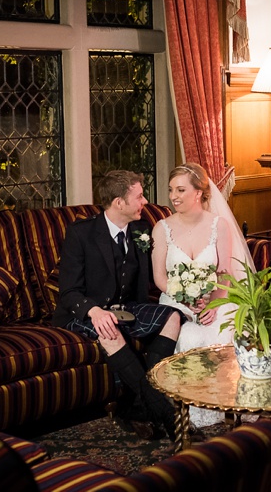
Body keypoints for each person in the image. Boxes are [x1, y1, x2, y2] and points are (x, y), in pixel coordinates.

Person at [54, 170, 181, 439]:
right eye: (139, 196)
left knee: (173, 316)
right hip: (89, 312)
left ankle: (136, 406)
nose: (145, 201)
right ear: (118, 202)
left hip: (128, 306)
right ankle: (165, 413)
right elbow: (68, 292)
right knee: (108, 329)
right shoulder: (81, 234)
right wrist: (95, 311)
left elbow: (161, 269)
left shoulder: (141, 230)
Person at [151, 162, 256, 427]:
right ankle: (190, 411)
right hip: (176, 302)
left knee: (223, 328)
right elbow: (160, 279)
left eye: (181, 189)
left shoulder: (218, 226)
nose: (173, 196)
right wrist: (184, 298)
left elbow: (224, 273)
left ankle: (225, 405)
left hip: (216, 298)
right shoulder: (161, 228)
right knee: (188, 335)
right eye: (171, 190)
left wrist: (213, 302)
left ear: (198, 192)